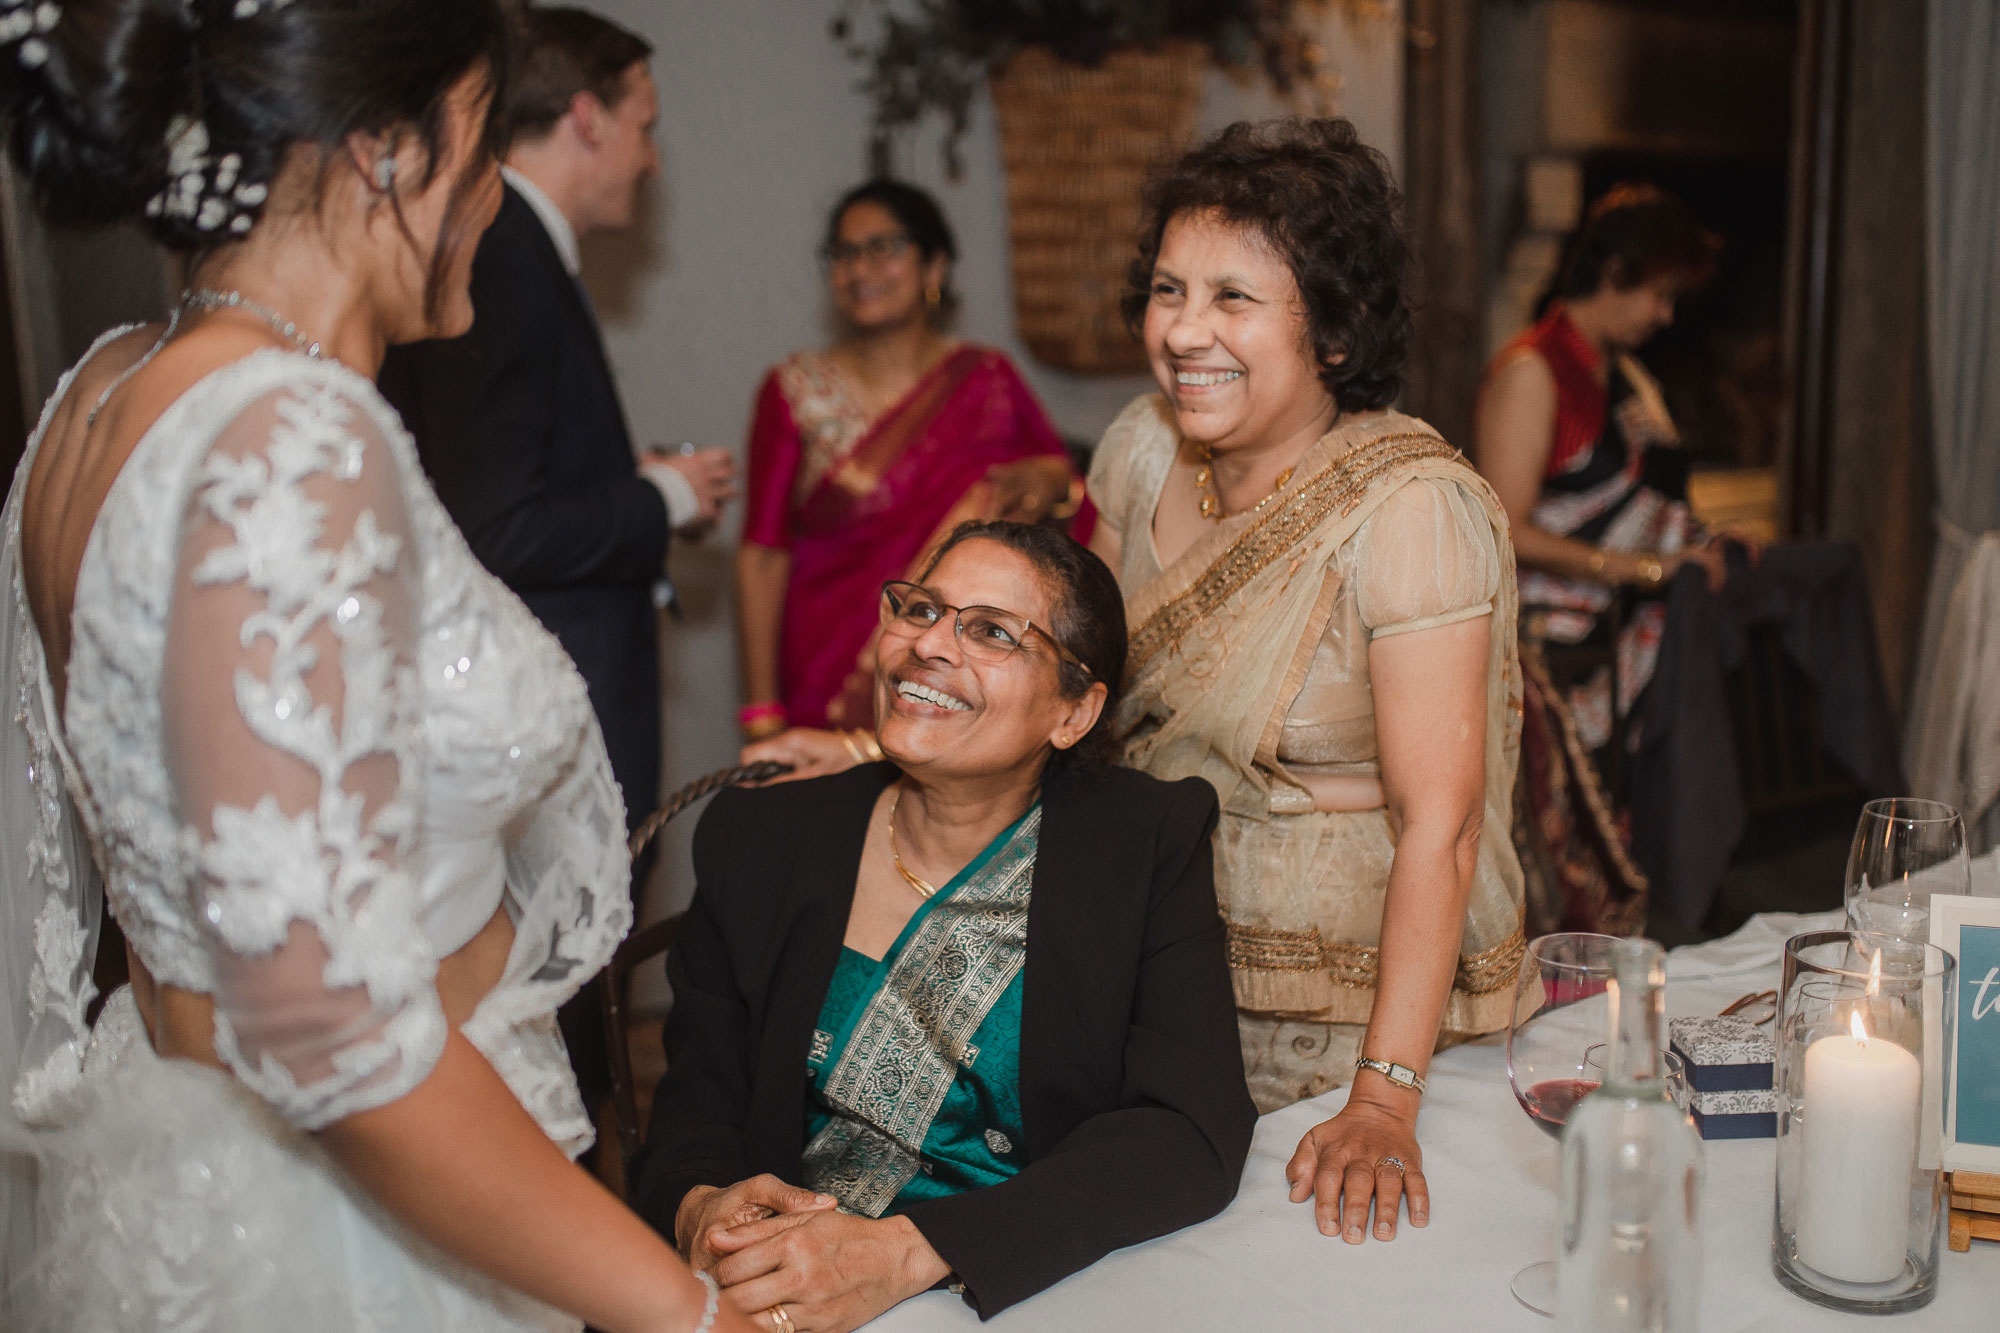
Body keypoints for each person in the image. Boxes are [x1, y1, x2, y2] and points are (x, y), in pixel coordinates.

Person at [0, 3, 749, 1330]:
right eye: (482, 146)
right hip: (358, 1236)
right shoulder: (291, 433)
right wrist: (686, 1312)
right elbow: (326, 1027)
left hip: (187, 1166)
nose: (492, 201)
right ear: (396, 149)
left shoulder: (104, 394)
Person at [740, 119, 1527, 1252]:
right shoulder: (1139, 452)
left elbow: (1442, 825)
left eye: (1232, 299)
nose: (1182, 332)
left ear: (1337, 330)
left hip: (1341, 1011)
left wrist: (1382, 1097)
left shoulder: (1408, 511)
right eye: (1167, 289)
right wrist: (872, 753)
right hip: (1134, 959)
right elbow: (1063, 698)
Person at [638, 522, 1255, 1328]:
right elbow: (696, 1100)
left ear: (1074, 709)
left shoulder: (1140, 847)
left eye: (991, 631)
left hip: (1012, 1286)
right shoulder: (762, 838)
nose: (928, 644)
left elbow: (1188, 1128)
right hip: (781, 1289)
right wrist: (703, 1210)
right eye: (921, 609)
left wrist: (910, 1250)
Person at [379, 5, 736, 1121]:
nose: (650, 155)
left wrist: (623, 482)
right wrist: (661, 498)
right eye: (642, 123)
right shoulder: (507, 256)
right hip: (542, 715)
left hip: (551, 688)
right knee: (553, 1004)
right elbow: (492, 527)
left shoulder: (520, 250)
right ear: (584, 116)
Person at [1476, 184, 1902, 933]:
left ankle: (1864, 801)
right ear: (1614, 275)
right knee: (1694, 609)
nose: (1666, 316)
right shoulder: (1532, 372)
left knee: (1819, 570)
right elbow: (1504, 529)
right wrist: (1649, 571)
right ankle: (1691, 869)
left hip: (1651, 591)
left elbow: (1653, 499)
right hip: (1575, 620)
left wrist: (1704, 539)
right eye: (1660, 295)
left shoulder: (1626, 376)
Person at [735, 181, 1082, 741]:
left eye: (884, 247)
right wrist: (760, 710)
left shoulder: (987, 380)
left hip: (960, 665)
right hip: (824, 671)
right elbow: (763, 554)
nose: (860, 268)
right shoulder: (793, 389)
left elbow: (1070, 509)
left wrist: (1055, 481)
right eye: (844, 253)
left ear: (934, 265)